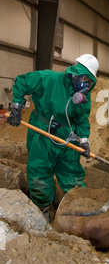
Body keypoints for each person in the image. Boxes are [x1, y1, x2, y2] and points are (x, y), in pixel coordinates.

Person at [6, 54, 99, 221]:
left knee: (73, 173)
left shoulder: (84, 97)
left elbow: (82, 119)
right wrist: (16, 107)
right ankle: (43, 211)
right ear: (75, 73)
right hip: (44, 132)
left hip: (68, 136)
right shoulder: (49, 78)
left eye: (90, 81)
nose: (86, 84)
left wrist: (84, 140)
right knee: (40, 172)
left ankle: (77, 211)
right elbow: (22, 81)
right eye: (84, 78)